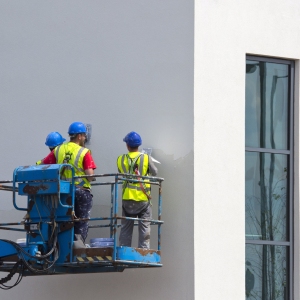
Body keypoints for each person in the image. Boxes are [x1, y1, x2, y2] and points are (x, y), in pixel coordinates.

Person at [39, 122, 97, 242]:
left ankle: (62, 244)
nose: (85, 138)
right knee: (81, 220)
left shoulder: (58, 150)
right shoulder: (84, 152)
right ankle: (77, 245)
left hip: (63, 192)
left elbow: (44, 164)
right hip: (80, 192)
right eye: (84, 135)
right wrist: (91, 178)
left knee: (64, 219)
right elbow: (90, 175)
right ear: (79, 136)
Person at [117, 131, 157, 249]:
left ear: (127, 145)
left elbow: (120, 171)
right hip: (143, 199)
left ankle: (124, 249)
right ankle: (144, 250)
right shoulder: (145, 158)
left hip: (127, 198)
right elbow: (155, 172)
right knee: (144, 226)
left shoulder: (120, 158)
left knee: (126, 227)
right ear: (138, 145)